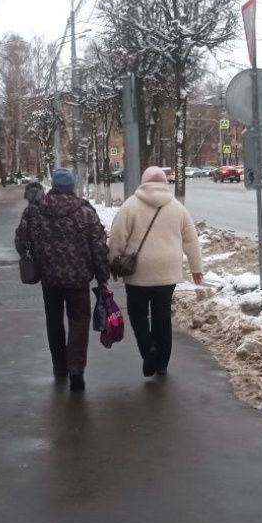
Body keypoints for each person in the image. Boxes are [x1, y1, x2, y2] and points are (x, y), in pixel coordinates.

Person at [15, 168, 109, 391]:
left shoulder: (35, 211)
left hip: (49, 278)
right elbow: (98, 245)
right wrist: (102, 275)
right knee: (79, 320)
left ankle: (59, 366)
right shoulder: (85, 211)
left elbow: (20, 241)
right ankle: (76, 367)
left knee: (54, 321)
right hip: (79, 278)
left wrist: (36, 259)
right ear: (72, 187)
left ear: (54, 187)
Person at [108, 166, 204, 378]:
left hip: (138, 271)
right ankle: (162, 364)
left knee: (137, 313)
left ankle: (148, 348)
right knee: (162, 315)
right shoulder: (177, 208)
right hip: (168, 271)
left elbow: (117, 238)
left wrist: (112, 262)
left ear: (143, 182)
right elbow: (191, 240)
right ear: (164, 183)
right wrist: (197, 268)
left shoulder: (130, 206)